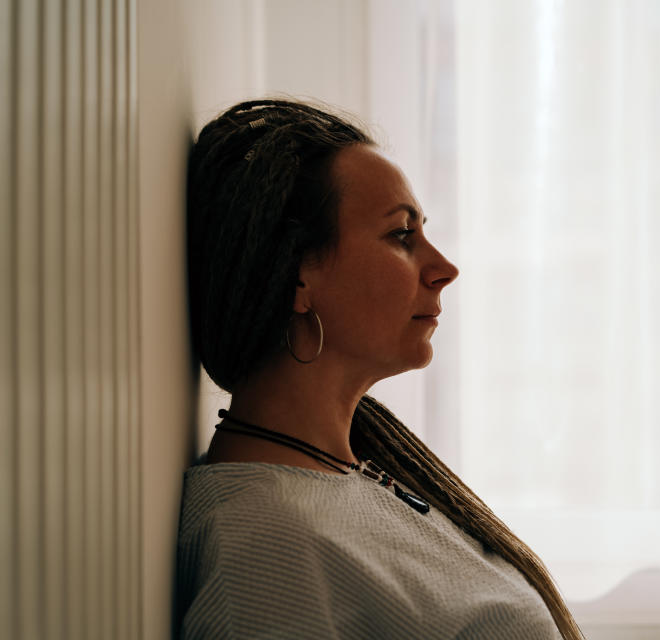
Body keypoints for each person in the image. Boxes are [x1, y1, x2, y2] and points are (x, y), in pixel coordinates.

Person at [178, 99, 582, 639]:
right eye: (401, 235)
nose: (444, 268)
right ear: (298, 277)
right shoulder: (265, 543)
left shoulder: (353, 472)